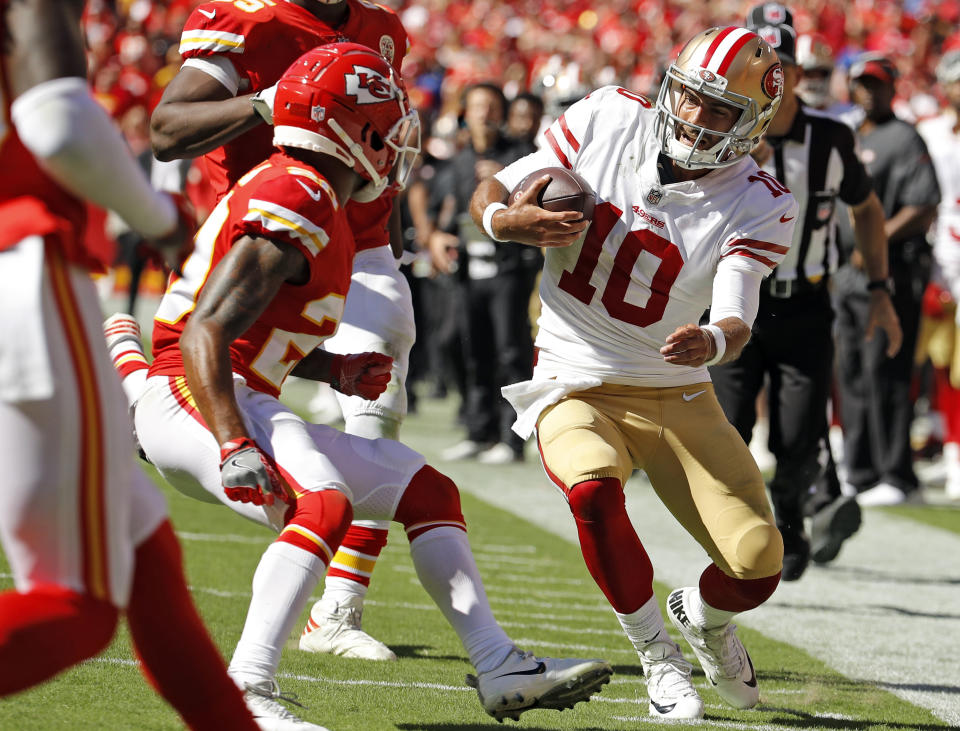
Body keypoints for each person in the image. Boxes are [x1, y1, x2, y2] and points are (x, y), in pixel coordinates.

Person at [134, 42, 612, 728]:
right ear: (349, 131)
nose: (393, 150)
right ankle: (245, 689)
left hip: (235, 387)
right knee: (324, 501)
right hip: (197, 392)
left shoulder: (314, 194)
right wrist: (235, 441)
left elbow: (249, 334)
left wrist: (337, 370)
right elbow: (204, 333)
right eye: (384, 133)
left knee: (425, 489)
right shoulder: (297, 188)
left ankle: (499, 661)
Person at [471, 26, 793, 720]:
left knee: (760, 560)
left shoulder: (759, 198)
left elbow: (737, 314)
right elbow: (494, 187)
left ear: (752, 124)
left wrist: (711, 337)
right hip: (573, 374)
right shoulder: (610, 116)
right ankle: (657, 656)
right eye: (690, 96)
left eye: (719, 110)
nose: (694, 117)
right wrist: (504, 220)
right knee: (590, 487)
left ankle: (701, 618)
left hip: (674, 387)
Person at [0, 0, 259, 728]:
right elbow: (57, 121)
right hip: (21, 267)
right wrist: (161, 219)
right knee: (77, 604)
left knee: (142, 542)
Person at [148, 0, 416, 661]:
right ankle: (163, 407)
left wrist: (396, 242)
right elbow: (166, 129)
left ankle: (339, 608)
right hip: (274, 231)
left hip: (364, 237)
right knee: (238, 367)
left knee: (380, 404)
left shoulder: (382, 30)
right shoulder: (248, 19)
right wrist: (268, 101)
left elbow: (384, 141)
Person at [709, 6, 900, 582]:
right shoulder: (718, 131)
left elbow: (866, 209)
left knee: (799, 435)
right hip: (733, 303)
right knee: (728, 430)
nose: (766, 75)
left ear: (794, 72)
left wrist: (880, 288)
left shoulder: (832, 138)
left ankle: (789, 521)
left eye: (777, 63)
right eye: (754, 63)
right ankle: (733, 537)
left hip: (807, 304)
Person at [834, 54, 941, 507]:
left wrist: (876, 240)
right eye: (861, 83)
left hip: (891, 274)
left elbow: (922, 206)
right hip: (845, 275)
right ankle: (859, 471)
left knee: (888, 372)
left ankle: (896, 473)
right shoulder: (849, 134)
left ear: (893, 87)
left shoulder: (905, 137)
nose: (868, 92)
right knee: (852, 371)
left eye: (876, 84)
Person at [429, 82, 538, 464]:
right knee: (472, 350)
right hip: (467, 270)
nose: (484, 114)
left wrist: (510, 179)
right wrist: (438, 238)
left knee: (511, 351)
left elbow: (545, 194)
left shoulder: (522, 155)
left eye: (492, 106)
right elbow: (441, 211)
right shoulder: (458, 160)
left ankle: (512, 439)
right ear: (465, 112)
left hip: (509, 268)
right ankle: (479, 430)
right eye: (477, 106)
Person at [916, 49, 960, 500]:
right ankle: (941, 444)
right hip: (939, 255)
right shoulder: (930, 131)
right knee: (936, 361)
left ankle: (952, 450)